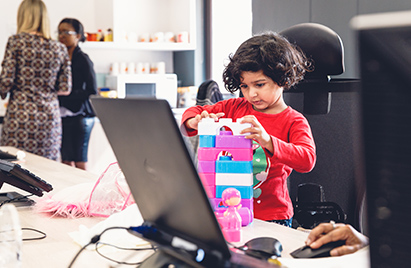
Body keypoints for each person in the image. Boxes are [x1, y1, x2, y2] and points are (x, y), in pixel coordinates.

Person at [180, 32, 316, 227]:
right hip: (228, 209)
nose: (251, 94)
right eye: (244, 86)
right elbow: (193, 112)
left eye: (260, 85)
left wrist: (267, 141)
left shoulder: (293, 121)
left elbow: (307, 159)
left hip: (272, 216)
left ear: (283, 80)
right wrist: (196, 121)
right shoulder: (232, 107)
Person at [0, 0, 71, 161]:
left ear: (23, 16)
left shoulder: (16, 42)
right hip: (49, 120)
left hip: (21, 118)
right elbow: (66, 88)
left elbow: (5, 82)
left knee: (14, 169)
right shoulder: (59, 48)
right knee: (47, 172)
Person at [57, 18, 97, 170]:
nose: (62, 35)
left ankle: (87, 193)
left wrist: (66, 94)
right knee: (66, 161)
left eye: (66, 32)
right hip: (62, 115)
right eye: (59, 32)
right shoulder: (58, 58)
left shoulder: (83, 59)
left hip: (81, 116)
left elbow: (92, 90)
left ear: (78, 36)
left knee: (80, 161)